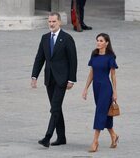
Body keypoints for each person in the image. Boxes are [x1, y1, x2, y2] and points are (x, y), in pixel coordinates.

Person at [31, 12, 77, 148]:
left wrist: (71, 79)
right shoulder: (44, 38)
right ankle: (61, 137)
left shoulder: (67, 38)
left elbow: (73, 60)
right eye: (49, 22)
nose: (51, 24)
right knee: (56, 108)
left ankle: (47, 136)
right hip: (49, 78)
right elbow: (40, 58)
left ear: (60, 22)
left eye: (54, 22)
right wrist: (34, 76)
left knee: (55, 107)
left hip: (62, 79)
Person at [82, 33, 119, 152]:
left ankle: (95, 142)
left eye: (101, 40)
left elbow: (113, 75)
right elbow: (91, 73)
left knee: (99, 112)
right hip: (96, 88)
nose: (98, 42)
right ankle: (114, 135)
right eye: (97, 40)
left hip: (106, 88)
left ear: (106, 43)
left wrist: (114, 92)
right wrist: (85, 88)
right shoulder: (94, 55)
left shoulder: (110, 57)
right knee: (105, 112)